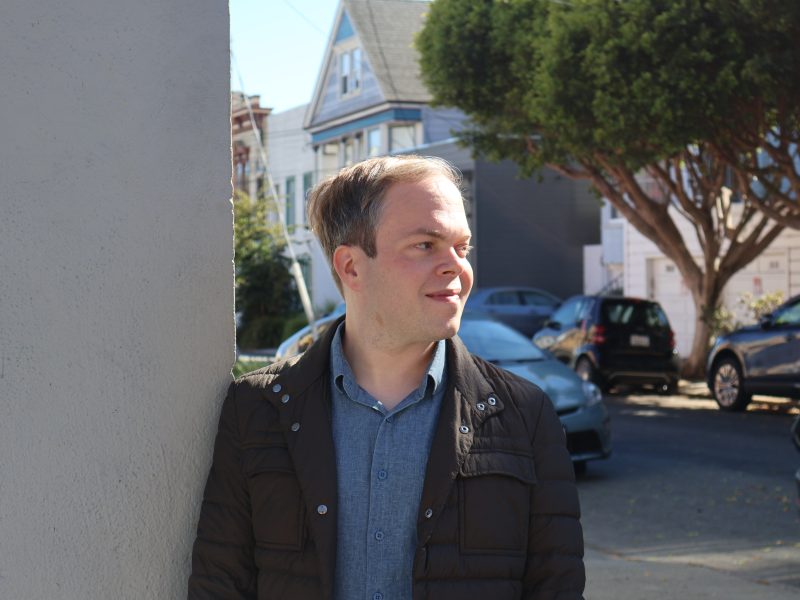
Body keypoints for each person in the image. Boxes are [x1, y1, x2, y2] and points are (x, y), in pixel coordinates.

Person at [188, 155, 585, 600]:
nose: (456, 267)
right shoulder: (256, 409)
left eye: (462, 247)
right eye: (425, 245)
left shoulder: (525, 416)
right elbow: (219, 584)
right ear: (352, 267)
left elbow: (557, 589)